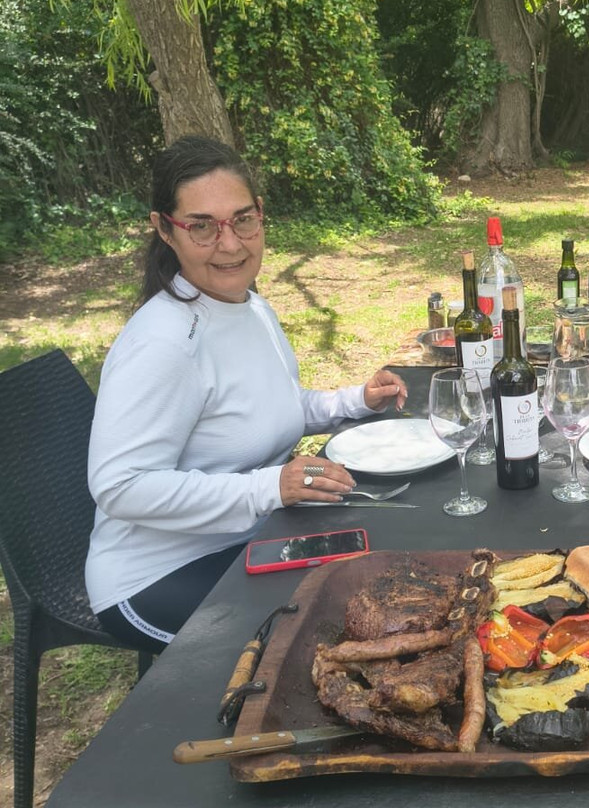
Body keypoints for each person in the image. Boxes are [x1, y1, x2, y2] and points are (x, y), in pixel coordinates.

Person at [87, 136, 408, 655]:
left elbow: (267, 410)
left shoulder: (246, 304)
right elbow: (120, 487)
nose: (230, 243)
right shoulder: (163, 343)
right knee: (319, 644)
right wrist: (269, 488)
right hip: (156, 578)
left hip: (248, 541)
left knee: (382, 574)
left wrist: (354, 401)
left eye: (241, 219)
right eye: (201, 226)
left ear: (261, 215)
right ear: (164, 229)